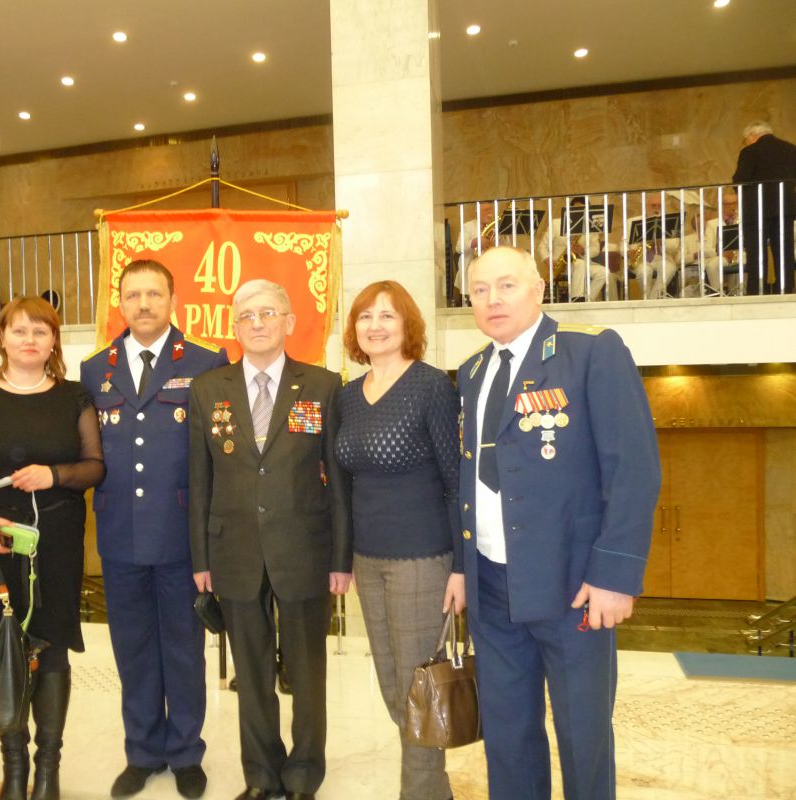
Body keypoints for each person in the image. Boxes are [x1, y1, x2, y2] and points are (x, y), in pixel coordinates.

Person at [458, 247, 660, 800]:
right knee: (508, 734)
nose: (493, 299)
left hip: (574, 587)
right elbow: (469, 479)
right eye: (479, 290)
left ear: (539, 290)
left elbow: (634, 469)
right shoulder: (472, 372)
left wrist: (615, 576)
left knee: (582, 733)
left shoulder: (589, 351)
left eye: (506, 285)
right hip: (491, 583)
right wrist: (462, 566)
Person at [188, 279, 352, 800]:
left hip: (305, 550)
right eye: (246, 316)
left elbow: (339, 482)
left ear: (288, 322)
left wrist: (341, 558)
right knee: (252, 673)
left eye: (267, 313)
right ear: (234, 327)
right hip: (233, 551)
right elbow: (199, 482)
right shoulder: (207, 389)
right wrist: (200, 559)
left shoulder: (323, 385)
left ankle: (303, 774)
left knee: (307, 673)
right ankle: (260, 775)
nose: (256, 323)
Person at [0, 295, 105, 800]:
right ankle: (14, 768)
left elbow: (95, 466)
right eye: (19, 330)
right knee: (2, 644)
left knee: (52, 648)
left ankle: (48, 769)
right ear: (2, 337)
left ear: (54, 341)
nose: (29, 339)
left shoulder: (74, 397)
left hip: (56, 541)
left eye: (40, 331)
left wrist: (55, 474)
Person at [81, 260, 227, 799]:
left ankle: (185, 753)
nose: (143, 304)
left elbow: (218, 454)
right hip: (120, 535)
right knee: (134, 650)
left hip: (181, 535)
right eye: (133, 295)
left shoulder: (207, 362)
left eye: (154, 294)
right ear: (119, 303)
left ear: (173, 300)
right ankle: (142, 752)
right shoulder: (94, 369)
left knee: (184, 649)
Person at [334, 281, 463, 800]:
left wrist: (460, 567)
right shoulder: (348, 395)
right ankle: (437, 788)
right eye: (365, 316)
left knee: (418, 688)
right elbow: (344, 485)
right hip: (368, 558)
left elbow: (455, 482)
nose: (375, 326)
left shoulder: (431, 387)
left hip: (422, 558)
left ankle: (422, 793)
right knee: (393, 686)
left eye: (387, 315)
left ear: (408, 324)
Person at [732, 121, 796, 294]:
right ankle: (786, 288)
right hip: (785, 208)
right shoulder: (791, 149)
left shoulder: (750, 151)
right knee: (784, 250)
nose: (746, 143)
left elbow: (740, 180)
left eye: (746, 140)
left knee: (756, 252)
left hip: (756, 209)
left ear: (752, 136)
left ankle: (756, 290)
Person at [536, 198, 606, 301]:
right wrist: (548, 260)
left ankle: (587, 300)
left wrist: (583, 251)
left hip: (582, 262)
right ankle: (576, 299)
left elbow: (595, 249)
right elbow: (542, 246)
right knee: (580, 264)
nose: (579, 212)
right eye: (576, 209)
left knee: (603, 272)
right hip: (560, 265)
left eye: (583, 209)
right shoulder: (556, 223)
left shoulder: (591, 227)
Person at [701, 190, 745, 296]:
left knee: (747, 260)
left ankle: (740, 293)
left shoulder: (744, 221)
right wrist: (721, 253)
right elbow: (706, 248)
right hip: (721, 256)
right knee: (712, 265)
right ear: (722, 206)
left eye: (735, 203)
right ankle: (718, 293)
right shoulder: (712, 224)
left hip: (740, 254)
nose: (732, 206)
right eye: (728, 204)